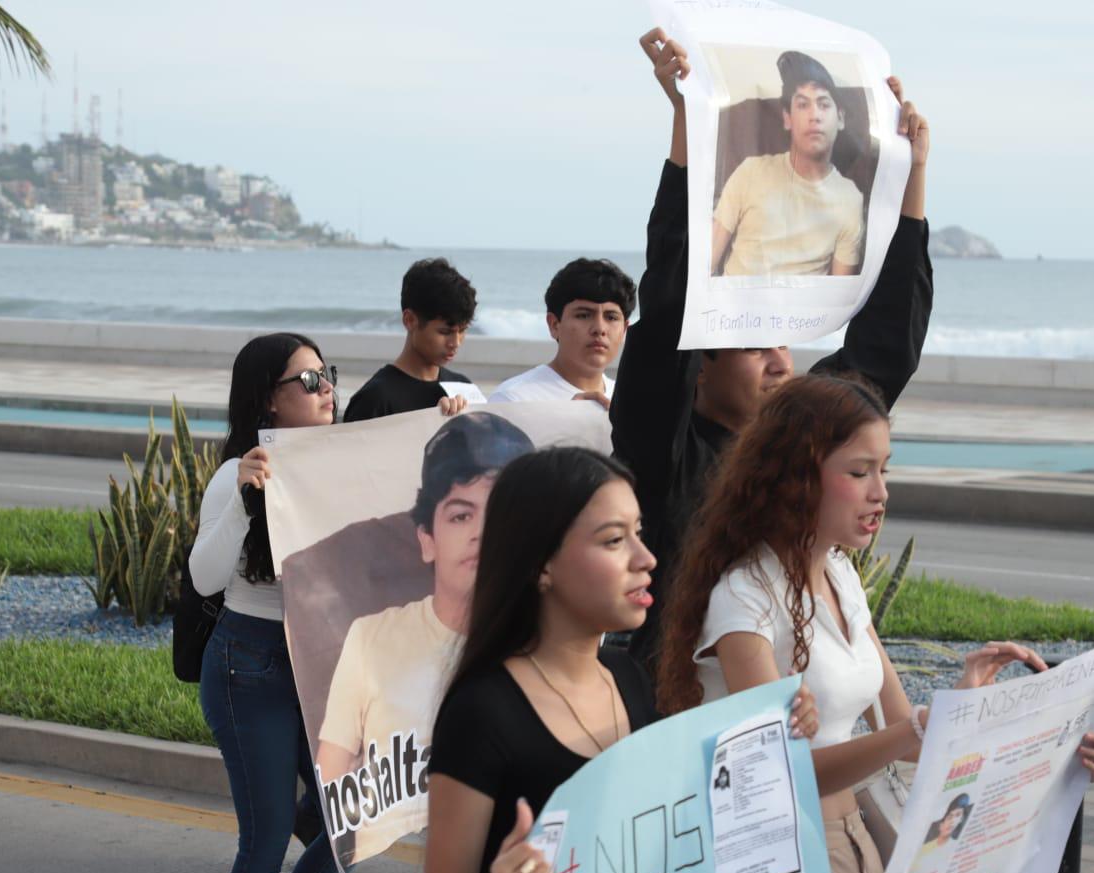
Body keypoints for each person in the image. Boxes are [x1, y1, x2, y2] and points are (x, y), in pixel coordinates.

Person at [655, 375, 1094, 873]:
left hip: (858, 836)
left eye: (885, 470)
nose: (880, 493)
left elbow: (905, 729)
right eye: (858, 472)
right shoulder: (744, 598)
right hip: (785, 855)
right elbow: (782, 770)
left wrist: (1052, 739)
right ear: (794, 476)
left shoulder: (840, 575)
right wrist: (917, 730)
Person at [415, 447, 816, 873]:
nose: (646, 559)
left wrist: (767, 739)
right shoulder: (483, 711)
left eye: (640, 534)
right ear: (541, 565)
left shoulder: (627, 677)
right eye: (613, 540)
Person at [614, 30, 935, 667]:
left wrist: (911, 172)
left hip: (810, 691)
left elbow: (886, 349)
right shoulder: (666, 452)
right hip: (690, 692)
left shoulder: (799, 439)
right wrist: (687, 120)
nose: (781, 363)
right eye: (755, 347)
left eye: (784, 342)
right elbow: (671, 308)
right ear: (699, 368)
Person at [189, 332, 344, 873]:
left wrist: (446, 426)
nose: (325, 389)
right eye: (307, 381)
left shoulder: (341, 463)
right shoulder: (238, 473)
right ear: (268, 399)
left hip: (324, 661)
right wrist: (246, 499)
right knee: (267, 838)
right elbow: (204, 576)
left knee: (352, 819)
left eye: (326, 375)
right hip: (250, 662)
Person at [315, 412, 534, 863]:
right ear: (427, 539)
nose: (480, 533)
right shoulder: (371, 638)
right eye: (461, 515)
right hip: (386, 869)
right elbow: (333, 774)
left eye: (500, 513)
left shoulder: (545, 643)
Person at [711, 50, 864, 278]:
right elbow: (705, 264)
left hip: (806, 303)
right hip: (735, 301)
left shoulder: (850, 199)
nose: (814, 115)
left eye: (823, 104)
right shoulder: (750, 172)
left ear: (840, 118)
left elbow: (841, 293)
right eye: (802, 105)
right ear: (787, 118)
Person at [486, 259, 635, 409]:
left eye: (611, 317)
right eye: (583, 315)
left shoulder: (631, 400)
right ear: (554, 325)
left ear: (624, 329)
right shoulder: (512, 400)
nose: (599, 328)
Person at [344, 258, 478, 422]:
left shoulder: (463, 389)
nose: (455, 343)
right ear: (409, 320)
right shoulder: (374, 400)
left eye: (462, 330)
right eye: (445, 332)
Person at [911, 794, 972, 872]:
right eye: (950, 817)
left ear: (962, 820)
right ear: (941, 825)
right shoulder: (923, 850)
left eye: (958, 815)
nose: (952, 821)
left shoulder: (959, 848)